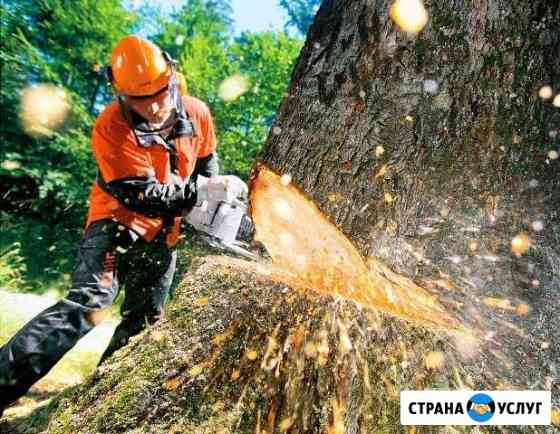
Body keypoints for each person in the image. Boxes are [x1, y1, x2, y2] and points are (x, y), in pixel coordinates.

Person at [0, 35, 240, 414]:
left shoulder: (197, 113)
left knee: (143, 323)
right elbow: (142, 196)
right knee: (88, 304)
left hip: (164, 236)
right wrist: (198, 192)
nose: (157, 106)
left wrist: (214, 194)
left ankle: (94, 408)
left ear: (172, 77)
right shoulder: (111, 127)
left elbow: (208, 164)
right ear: (123, 95)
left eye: (162, 93)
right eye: (143, 101)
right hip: (114, 228)